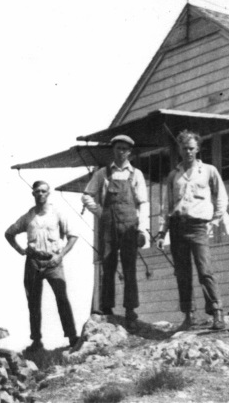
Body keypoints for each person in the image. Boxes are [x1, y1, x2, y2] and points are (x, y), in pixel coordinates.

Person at [156, 130, 229, 331]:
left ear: (197, 149)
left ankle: (217, 314)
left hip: (199, 227)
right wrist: (162, 233)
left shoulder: (208, 171)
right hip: (178, 227)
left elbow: (221, 197)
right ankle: (189, 316)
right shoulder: (173, 175)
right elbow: (166, 206)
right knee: (182, 273)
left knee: (205, 270)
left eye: (191, 148)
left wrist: (214, 221)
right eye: (184, 148)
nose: (188, 152)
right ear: (179, 149)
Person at [82, 134, 148, 329]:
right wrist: (101, 212)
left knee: (129, 268)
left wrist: (142, 229)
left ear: (129, 152)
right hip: (108, 225)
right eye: (118, 148)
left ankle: (130, 309)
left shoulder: (136, 174)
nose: (121, 152)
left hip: (129, 226)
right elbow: (86, 196)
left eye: (124, 149)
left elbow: (143, 202)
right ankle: (106, 307)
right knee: (108, 265)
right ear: (113, 150)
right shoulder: (103, 173)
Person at [4, 181, 79, 352]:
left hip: (53, 262)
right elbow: (9, 233)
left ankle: (72, 336)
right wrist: (20, 250)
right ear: (33, 194)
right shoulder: (28, 217)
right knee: (33, 302)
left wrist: (60, 255)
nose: (40, 194)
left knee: (62, 298)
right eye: (37, 191)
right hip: (33, 262)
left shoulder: (57, 213)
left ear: (48, 193)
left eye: (43, 191)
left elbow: (73, 236)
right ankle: (36, 340)